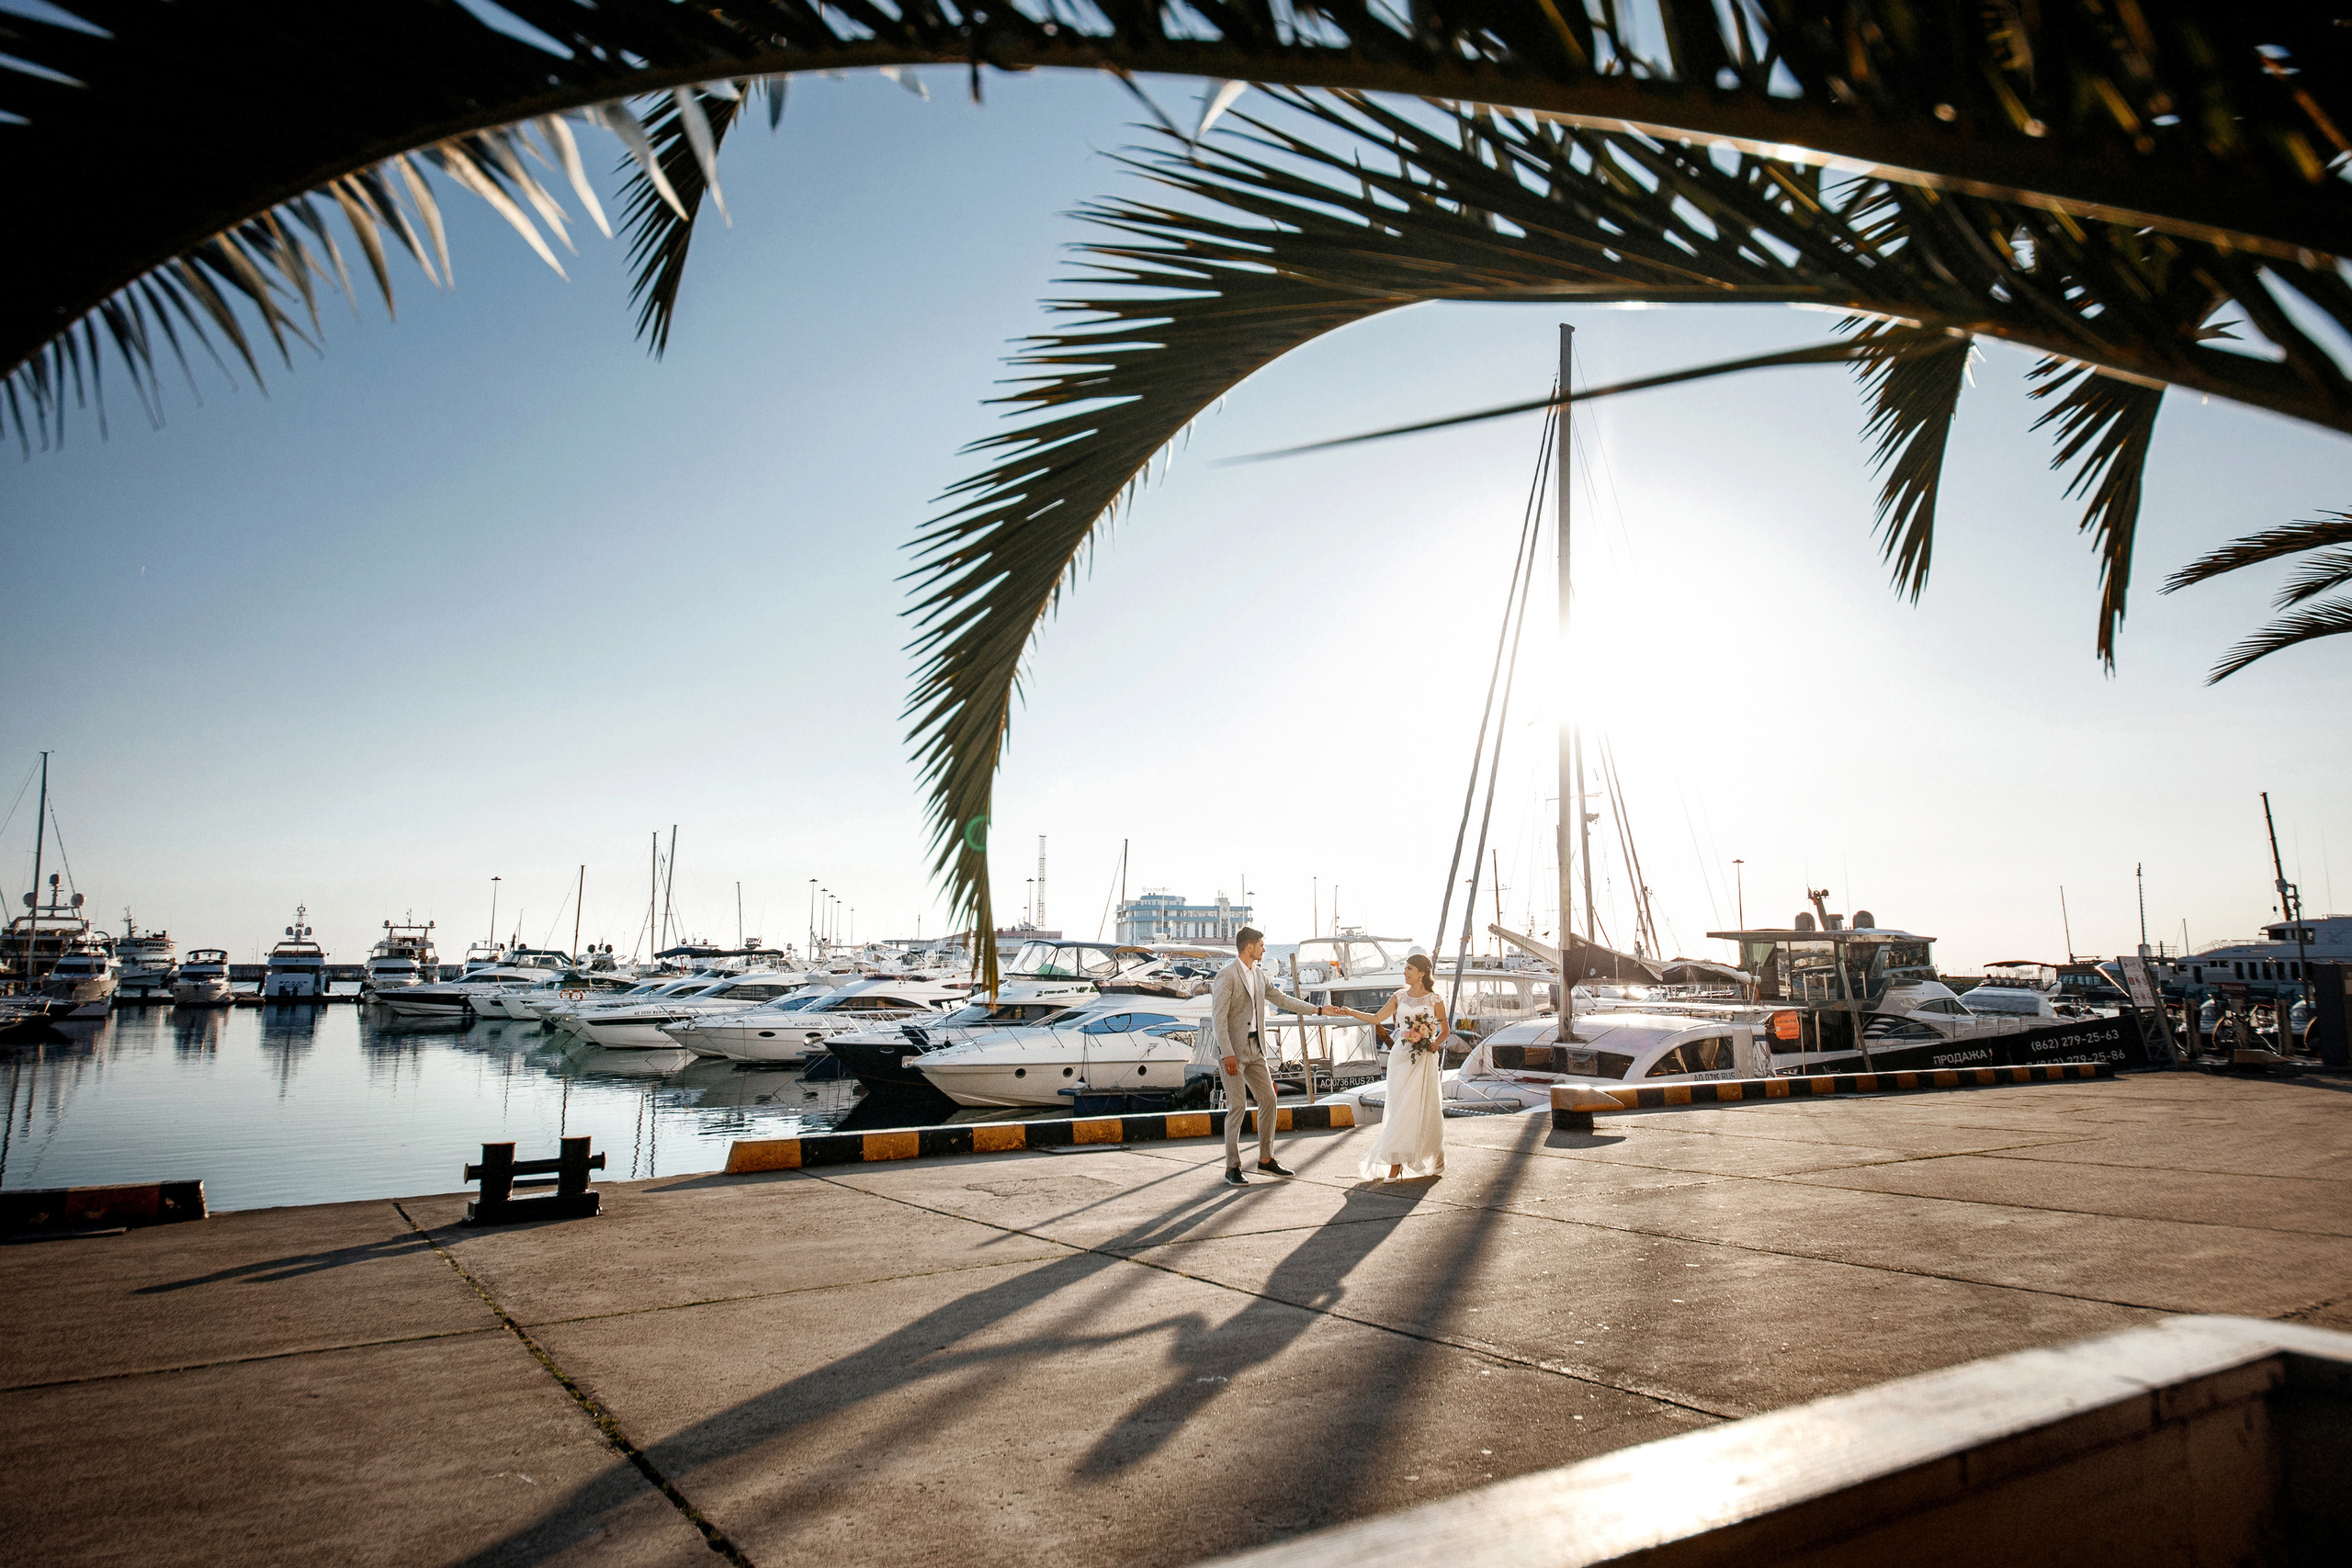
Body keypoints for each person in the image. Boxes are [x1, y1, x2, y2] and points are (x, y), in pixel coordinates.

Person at [1213, 927, 1343, 1185]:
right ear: (1249, 947)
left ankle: (1265, 1160)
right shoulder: (1227, 975)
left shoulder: (1259, 974)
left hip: (1255, 1048)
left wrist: (1317, 1009)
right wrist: (1227, 1053)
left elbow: (1283, 1000)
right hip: (1233, 1051)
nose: (1264, 949)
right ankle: (1232, 1166)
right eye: (1261, 945)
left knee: (1269, 1099)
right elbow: (1219, 1019)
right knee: (1237, 1106)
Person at [1334, 953, 1447, 1181]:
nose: (1404, 973)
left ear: (1422, 973)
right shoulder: (1399, 996)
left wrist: (1435, 1043)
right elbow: (1376, 1019)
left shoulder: (1435, 1000)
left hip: (1424, 1058)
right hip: (1401, 1056)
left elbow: (1445, 1030)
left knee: (1422, 1106)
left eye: (1409, 969)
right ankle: (1395, 1163)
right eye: (1405, 969)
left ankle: (1431, 1156)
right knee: (1398, 1107)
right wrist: (1350, 1012)